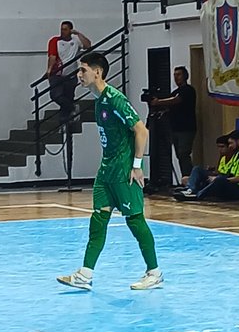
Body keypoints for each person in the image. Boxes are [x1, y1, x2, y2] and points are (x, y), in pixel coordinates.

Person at [57, 51, 162, 291]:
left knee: (135, 221)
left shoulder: (115, 98)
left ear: (98, 72)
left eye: (83, 70)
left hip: (125, 172)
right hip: (106, 172)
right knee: (98, 221)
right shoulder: (98, 101)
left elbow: (141, 130)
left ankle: (154, 272)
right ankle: (85, 274)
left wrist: (136, 166)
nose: (79, 74)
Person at [147, 66, 197, 181]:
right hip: (175, 128)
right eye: (174, 75)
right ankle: (186, 179)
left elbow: (176, 100)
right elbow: (169, 104)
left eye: (178, 75)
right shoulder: (175, 92)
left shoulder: (188, 90)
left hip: (186, 128)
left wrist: (158, 102)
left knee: (183, 153)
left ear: (185, 76)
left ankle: (190, 179)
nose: (176, 77)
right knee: (180, 156)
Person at [187, 129, 239, 201]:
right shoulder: (237, 154)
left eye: (231, 143)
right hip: (231, 183)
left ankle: (198, 195)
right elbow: (229, 174)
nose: (230, 146)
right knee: (198, 169)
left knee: (219, 181)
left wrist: (221, 179)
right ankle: (190, 190)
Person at [46, 20, 91, 123]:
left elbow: (88, 45)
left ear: (70, 30)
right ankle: (73, 107)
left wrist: (78, 33)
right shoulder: (55, 41)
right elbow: (52, 56)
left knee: (68, 97)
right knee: (55, 95)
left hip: (71, 75)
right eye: (61, 29)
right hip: (57, 74)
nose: (62, 32)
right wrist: (49, 70)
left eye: (65, 29)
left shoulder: (75, 40)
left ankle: (64, 124)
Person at [173, 134, 232, 199]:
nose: (220, 149)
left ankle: (195, 193)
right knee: (188, 176)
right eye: (218, 147)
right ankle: (190, 189)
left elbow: (229, 176)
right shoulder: (223, 158)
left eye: (222, 147)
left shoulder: (234, 158)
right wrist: (212, 172)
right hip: (215, 179)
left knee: (216, 181)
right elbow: (220, 172)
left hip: (224, 182)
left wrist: (215, 177)